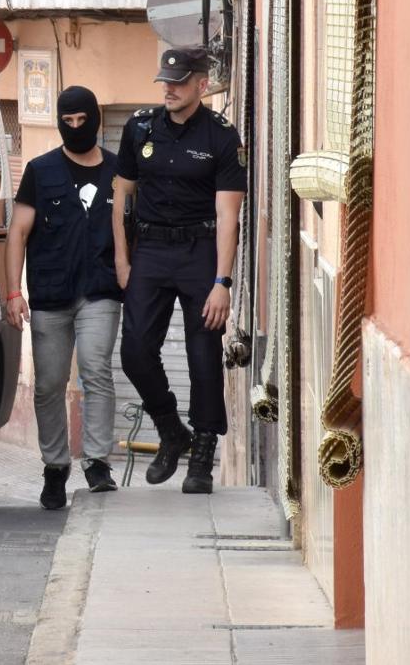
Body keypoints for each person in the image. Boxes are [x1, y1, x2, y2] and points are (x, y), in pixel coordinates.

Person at [112, 48, 246, 494]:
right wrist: (122, 259)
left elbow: (228, 215)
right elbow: (122, 195)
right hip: (150, 249)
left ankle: (203, 452)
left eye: (178, 82)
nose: (168, 89)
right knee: (134, 351)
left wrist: (222, 282)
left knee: (203, 355)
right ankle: (171, 429)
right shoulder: (139, 127)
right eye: (165, 82)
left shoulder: (221, 137)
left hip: (199, 250)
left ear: (201, 85)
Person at [6, 86, 123, 511]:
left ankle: (97, 463)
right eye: (67, 121)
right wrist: (14, 291)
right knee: (49, 384)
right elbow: (17, 233)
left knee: (96, 369)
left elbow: (133, 230)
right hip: (50, 295)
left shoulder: (118, 171)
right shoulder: (40, 171)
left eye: (82, 120)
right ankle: (55, 467)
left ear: (95, 118)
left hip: (100, 292)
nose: (75, 127)